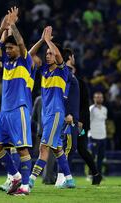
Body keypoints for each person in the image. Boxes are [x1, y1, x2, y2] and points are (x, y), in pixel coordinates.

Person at [0, 7, 33, 196]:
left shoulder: (25, 60)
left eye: (10, 48)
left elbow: (21, 42)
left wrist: (12, 25)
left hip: (18, 110)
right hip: (4, 112)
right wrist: (2, 28)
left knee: (22, 149)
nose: (7, 50)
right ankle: (14, 176)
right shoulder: (6, 62)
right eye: (6, 48)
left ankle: (26, 186)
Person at [29, 26, 76, 189]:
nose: (48, 56)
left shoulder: (63, 72)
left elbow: (57, 54)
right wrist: (42, 40)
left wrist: (49, 41)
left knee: (44, 148)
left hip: (56, 113)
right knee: (57, 149)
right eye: (46, 54)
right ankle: (69, 180)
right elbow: (30, 56)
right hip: (46, 114)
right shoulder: (43, 71)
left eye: (50, 54)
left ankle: (30, 182)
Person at [64, 48, 102, 185]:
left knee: (79, 147)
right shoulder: (68, 82)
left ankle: (94, 173)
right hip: (74, 120)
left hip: (80, 123)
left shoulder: (79, 83)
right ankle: (95, 174)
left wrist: (81, 121)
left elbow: (84, 105)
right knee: (77, 148)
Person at [55, 48, 80, 186]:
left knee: (68, 147)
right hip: (69, 117)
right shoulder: (68, 75)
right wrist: (67, 114)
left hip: (73, 116)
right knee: (68, 147)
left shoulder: (70, 74)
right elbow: (64, 95)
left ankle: (61, 177)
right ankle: (62, 177)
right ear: (70, 57)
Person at [88, 92, 107, 176]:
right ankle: (90, 174)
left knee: (100, 158)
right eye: (97, 97)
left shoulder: (105, 109)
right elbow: (87, 122)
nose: (99, 99)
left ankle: (99, 174)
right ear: (94, 99)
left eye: (100, 97)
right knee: (91, 157)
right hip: (93, 136)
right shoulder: (91, 109)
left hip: (103, 136)